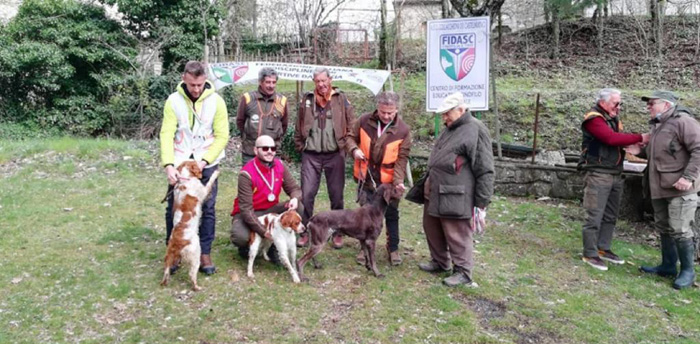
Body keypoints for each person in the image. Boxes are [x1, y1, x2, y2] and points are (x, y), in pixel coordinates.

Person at [411, 92, 494, 287]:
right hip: (435, 191)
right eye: (443, 114)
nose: (444, 118)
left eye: (447, 113)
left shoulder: (476, 129)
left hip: (457, 195)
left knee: (457, 234)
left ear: (461, 110)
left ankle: (463, 272)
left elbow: (485, 168)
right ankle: (440, 262)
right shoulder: (450, 128)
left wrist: (481, 202)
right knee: (432, 227)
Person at [160, 60, 230, 275]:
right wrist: (169, 165)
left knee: (207, 208)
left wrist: (204, 161)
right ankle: (174, 250)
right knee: (176, 205)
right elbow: (166, 133)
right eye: (192, 85)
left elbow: (222, 135)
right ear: (184, 79)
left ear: (205, 80)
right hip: (181, 160)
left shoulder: (217, 102)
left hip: (206, 159)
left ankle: (204, 252)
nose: (196, 89)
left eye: (200, 84)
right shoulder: (172, 101)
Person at [634, 91, 700, 289]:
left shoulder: (683, 121)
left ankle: (688, 272)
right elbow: (667, 153)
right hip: (660, 187)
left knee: (681, 230)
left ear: (666, 104)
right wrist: (641, 151)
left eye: (651, 103)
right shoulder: (658, 125)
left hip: (680, 188)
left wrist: (688, 177)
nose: (648, 107)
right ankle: (668, 266)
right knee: (664, 228)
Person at [577, 88, 649, 271]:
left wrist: (634, 144)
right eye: (616, 103)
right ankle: (590, 253)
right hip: (598, 174)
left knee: (610, 215)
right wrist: (641, 137)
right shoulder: (594, 119)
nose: (619, 107)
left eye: (620, 103)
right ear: (603, 103)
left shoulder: (612, 119)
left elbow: (618, 140)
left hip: (615, 173)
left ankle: (603, 248)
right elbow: (610, 138)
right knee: (594, 215)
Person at [294, 67, 358, 249]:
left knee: (336, 195)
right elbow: (298, 125)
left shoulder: (341, 99)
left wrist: (346, 146)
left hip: (335, 155)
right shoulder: (306, 100)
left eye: (324, 80)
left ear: (330, 79)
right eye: (317, 81)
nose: (321, 84)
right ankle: (305, 230)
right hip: (311, 155)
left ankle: (338, 232)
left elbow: (351, 124)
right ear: (314, 82)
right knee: (306, 194)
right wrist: (301, 146)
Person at [349, 91, 412, 266]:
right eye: (383, 112)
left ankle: (393, 249)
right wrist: (354, 150)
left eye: (390, 113)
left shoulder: (403, 131)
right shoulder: (363, 121)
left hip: (389, 183)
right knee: (365, 215)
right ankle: (364, 249)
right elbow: (349, 139)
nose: (386, 116)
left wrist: (398, 182)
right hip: (366, 179)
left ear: (396, 109)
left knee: (392, 215)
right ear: (378, 108)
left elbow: (401, 159)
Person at [230, 135, 303, 260]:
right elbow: (246, 210)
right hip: (250, 212)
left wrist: (295, 198)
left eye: (273, 148)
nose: (270, 151)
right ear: (255, 150)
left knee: (299, 207)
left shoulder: (280, 166)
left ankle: (274, 249)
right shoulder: (246, 173)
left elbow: (295, 189)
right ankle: (247, 246)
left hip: (270, 209)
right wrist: (264, 232)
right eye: (264, 148)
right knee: (240, 236)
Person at [236, 68, 289, 165]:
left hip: (272, 152)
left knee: (272, 180)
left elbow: (284, 125)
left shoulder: (282, 101)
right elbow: (240, 121)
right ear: (260, 82)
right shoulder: (248, 98)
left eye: (274, 82)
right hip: (250, 152)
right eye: (268, 82)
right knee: (249, 179)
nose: (271, 86)